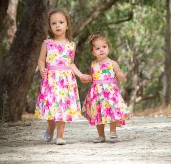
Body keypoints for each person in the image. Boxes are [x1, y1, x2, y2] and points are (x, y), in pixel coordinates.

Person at [35, 9, 91, 145]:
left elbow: (71, 64)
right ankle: (50, 126)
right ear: (50, 26)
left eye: (61, 22)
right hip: (51, 80)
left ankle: (60, 136)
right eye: (53, 23)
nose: (57, 25)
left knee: (62, 109)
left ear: (67, 25)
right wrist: (42, 68)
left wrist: (80, 75)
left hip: (66, 82)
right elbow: (41, 60)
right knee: (51, 109)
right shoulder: (47, 43)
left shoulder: (71, 45)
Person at [82, 32, 131, 143]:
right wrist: (88, 78)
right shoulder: (93, 64)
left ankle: (113, 131)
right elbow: (94, 77)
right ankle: (101, 135)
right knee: (98, 113)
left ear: (108, 48)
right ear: (93, 52)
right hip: (97, 93)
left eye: (104, 47)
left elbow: (118, 74)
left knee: (111, 111)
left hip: (109, 93)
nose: (102, 50)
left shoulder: (112, 63)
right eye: (98, 48)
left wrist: (120, 76)